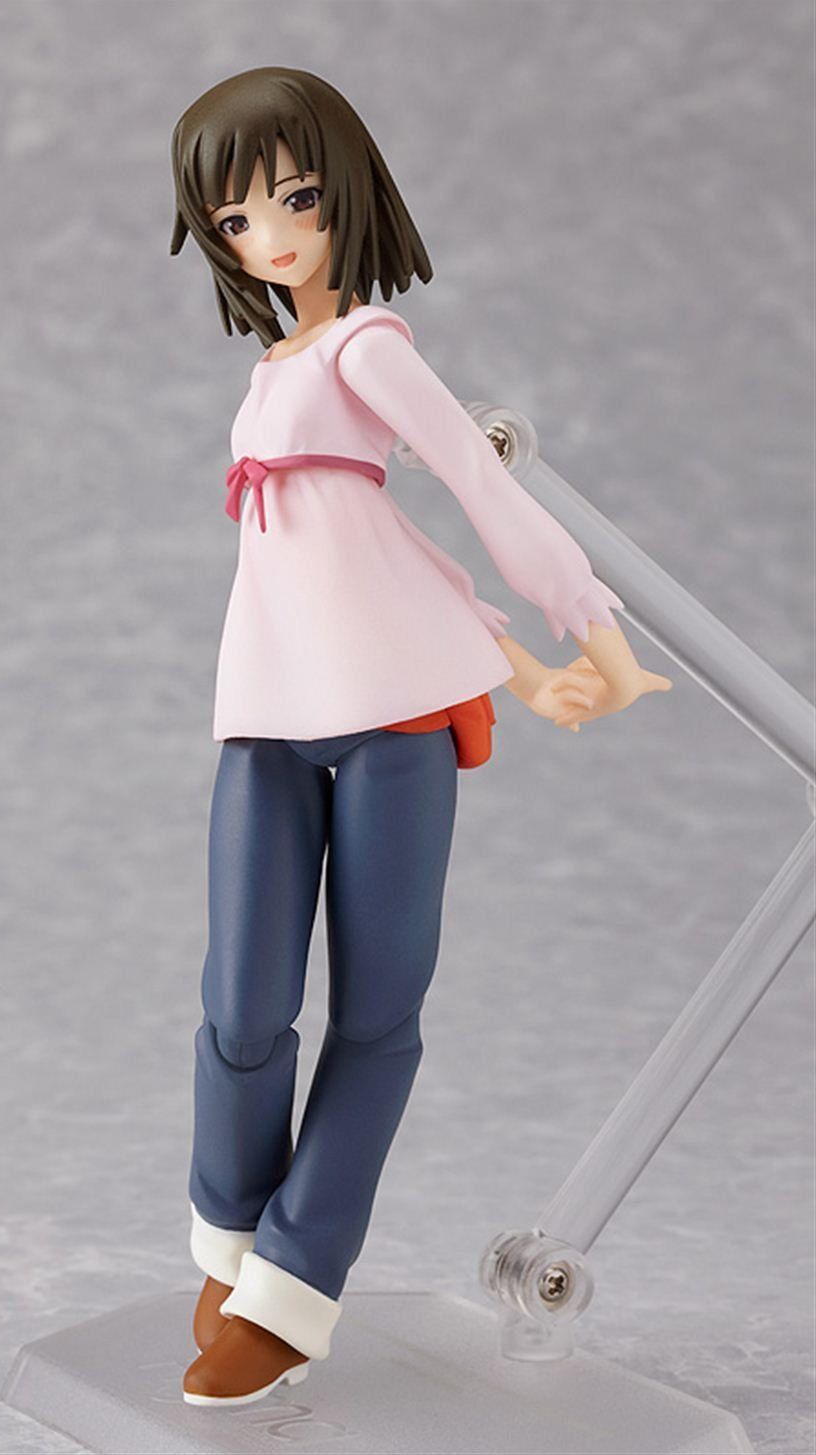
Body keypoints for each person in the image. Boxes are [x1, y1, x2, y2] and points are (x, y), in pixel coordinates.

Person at [168, 66, 670, 1408]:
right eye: (237, 221)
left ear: (347, 193)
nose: (272, 237)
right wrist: (518, 657)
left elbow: (475, 488)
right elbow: (358, 541)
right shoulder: (275, 366)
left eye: (298, 200)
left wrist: (589, 633)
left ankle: (291, 1287)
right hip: (267, 712)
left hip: (392, 720)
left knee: (378, 1010)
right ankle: (230, 1243)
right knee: (241, 1003)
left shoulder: (367, 348)